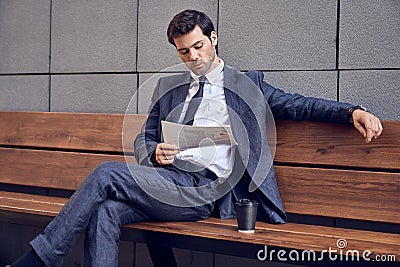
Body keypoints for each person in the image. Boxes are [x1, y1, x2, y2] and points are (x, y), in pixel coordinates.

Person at [9, 9, 383, 267]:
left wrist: (352, 111)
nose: (193, 56)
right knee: (106, 210)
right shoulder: (170, 90)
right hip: (167, 182)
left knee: (107, 174)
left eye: (198, 46)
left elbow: (300, 105)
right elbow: (144, 138)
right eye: (184, 51)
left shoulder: (247, 85)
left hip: (207, 192)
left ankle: (42, 257)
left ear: (214, 38)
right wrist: (154, 152)